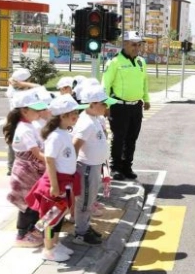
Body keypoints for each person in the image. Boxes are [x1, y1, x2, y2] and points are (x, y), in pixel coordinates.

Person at [26, 94, 87, 262]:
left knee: (60, 214)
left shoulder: (64, 133)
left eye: (77, 112)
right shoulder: (55, 136)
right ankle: (48, 248)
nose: (77, 115)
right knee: (51, 217)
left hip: (67, 182)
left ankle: (56, 243)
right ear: (62, 116)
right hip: (57, 182)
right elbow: (49, 160)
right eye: (73, 112)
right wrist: (54, 185)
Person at [72, 85, 117, 245]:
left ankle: (84, 226)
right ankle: (80, 233)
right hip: (87, 168)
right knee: (84, 202)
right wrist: (72, 170)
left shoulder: (94, 119)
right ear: (92, 104)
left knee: (89, 201)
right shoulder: (86, 123)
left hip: (94, 166)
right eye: (104, 103)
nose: (107, 106)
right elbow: (75, 146)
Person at [4, 88, 49, 248]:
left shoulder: (30, 125)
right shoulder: (24, 129)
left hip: (32, 171)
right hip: (25, 173)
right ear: (24, 110)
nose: (40, 112)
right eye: (36, 109)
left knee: (34, 203)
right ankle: (22, 234)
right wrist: (53, 161)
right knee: (27, 205)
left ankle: (32, 231)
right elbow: (37, 154)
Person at [103, 31, 150, 180]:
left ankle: (127, 167)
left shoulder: (141, 62)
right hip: (119, 106)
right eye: (133, 44)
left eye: (138, 45)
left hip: (136, 107)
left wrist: (146, 99)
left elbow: (144, 82)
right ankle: (116, 167)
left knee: (131, 139)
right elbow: (105, 84)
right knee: (119, 138)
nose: (136, 48)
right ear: (125, 44)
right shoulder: (114, 62)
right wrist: (106, 105)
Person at [5, 68, 39, 176]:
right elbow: (39, 89)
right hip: (20, 120)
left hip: (14, 120)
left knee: (13, 144)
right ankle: (13, 168)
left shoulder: (15, 90)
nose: (30, 81)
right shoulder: (20, 93)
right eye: (28, 80)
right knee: (19, 146)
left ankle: (11, 168)